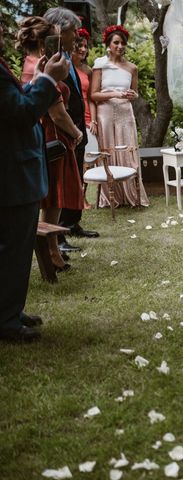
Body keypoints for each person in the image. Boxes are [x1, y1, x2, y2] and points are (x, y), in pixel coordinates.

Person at [0, 19, 70, 341]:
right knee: (13, 251)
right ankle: (7, 322)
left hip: (15, 171)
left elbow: (15, 104)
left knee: (16, 249)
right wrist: (50, 81)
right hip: (11, 174)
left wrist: (40, 78)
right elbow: (22, 113)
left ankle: (10, 311)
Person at [17, 16, 85, 272]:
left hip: (52, 133)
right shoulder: (40, 66)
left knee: (55, 195)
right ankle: (51, 251)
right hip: (54, 134)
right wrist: (77, 133)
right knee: (55, 195)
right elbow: (56, 111)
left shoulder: (35, 63)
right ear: (44, 41)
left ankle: (54, 247)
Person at [44, 7, 99, 251]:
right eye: (72, 30)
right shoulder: (52, 60)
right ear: (58, 30)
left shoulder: (67, 56)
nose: (77, 35)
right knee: (61, 184)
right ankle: (60, 236)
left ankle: (73, 222)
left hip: (77, 126)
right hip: (63, 130)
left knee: (76, 178)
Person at [90, 24, 149, 208]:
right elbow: (93, 94)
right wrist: (115, 94)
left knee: (128, 150)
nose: (120, 46)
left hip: (125, 113)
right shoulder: (100, 65)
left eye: (123, 43)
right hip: (105, 113)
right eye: (116, 42)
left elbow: (136, 93)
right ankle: (110, 196)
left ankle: (131, 194)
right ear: (109, 44)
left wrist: (132, 95)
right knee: (108, 151)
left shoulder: (132, 68)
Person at [72, 27, 98, 152]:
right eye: (79, 45)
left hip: (88, 120)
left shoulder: (88, 70)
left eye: (85, 46)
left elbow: (91, 98)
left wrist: (93, 120)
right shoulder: (64, 68)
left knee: (92, 157)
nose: (83, 49)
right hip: (72, 120)